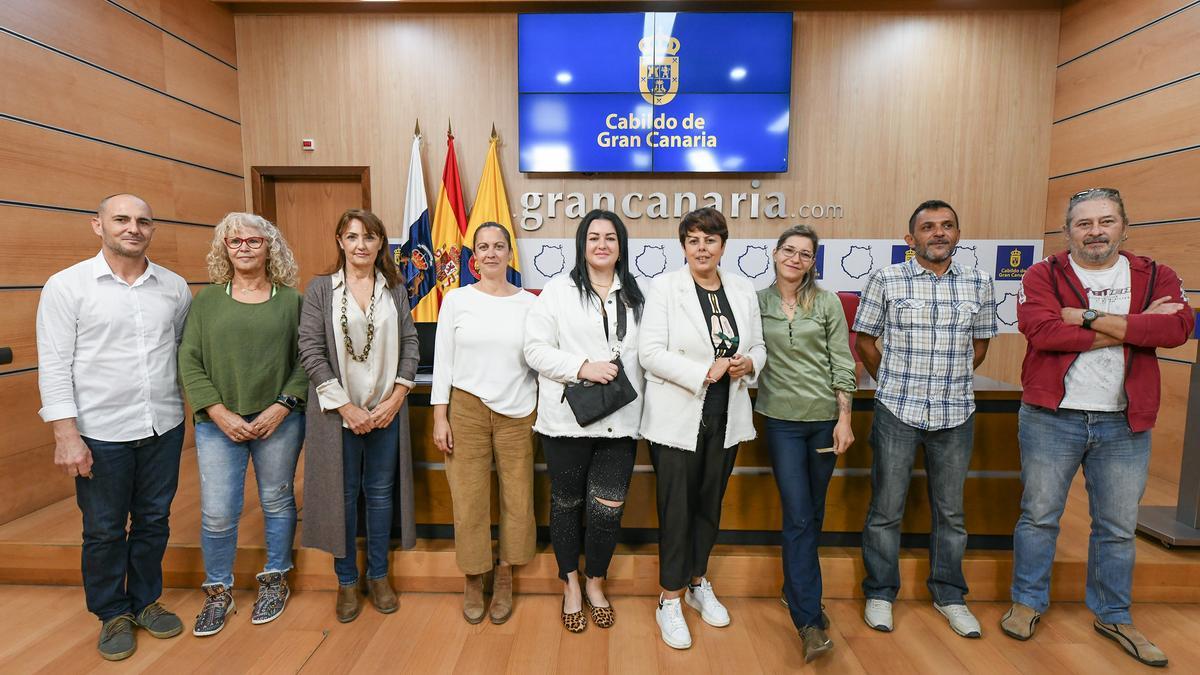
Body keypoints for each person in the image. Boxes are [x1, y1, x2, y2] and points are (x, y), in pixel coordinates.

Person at [1003, 188, 1193, 667]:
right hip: (1052, 418)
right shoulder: (1042, 273)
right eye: (1084, 224)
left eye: (1105, 221)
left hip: (1125, 422)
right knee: (1039, 516)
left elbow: (1174, 330)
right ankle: (1026, 603)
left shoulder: (1155, 276)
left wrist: (1088, 317)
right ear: (1068, 231)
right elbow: (1044, 333)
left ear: (1124, 226)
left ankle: (1114, 614)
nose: (1095, 231)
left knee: (1117, 527)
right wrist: (1132, 326)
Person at [36, 194, 191, 661]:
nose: (133, 228)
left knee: (154, 521)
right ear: (97, 226)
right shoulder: (68, 287)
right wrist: (66, 434)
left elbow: (183, 353)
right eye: (121, 219)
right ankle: (112, 613)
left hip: (163, 425)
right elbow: (55, 365)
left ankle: (145, 602)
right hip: (100, 432)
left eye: (143, 221)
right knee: (103, 529)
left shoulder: (174, 287)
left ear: (152, 229)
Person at [853, 199, 996, 638]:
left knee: (951, 513)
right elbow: (865, 340)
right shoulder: (886, 278)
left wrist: (946, 381)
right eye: (928, 227)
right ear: (910, 238)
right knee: (886, 509)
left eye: (947, 226)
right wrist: (894, 381)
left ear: (958, 233)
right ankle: (880, 592)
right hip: (897, 409)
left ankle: (950, 594)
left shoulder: (979, 281)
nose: (939, 233)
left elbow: (980, 345)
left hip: (956, 412)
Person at [639, 207, 766, 650]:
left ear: (723, 246)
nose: (702, 248)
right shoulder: (665, 288)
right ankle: (668, 598)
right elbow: (649, 353)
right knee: (677, 510)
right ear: (683, 247)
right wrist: (703, 372)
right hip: (678, 417)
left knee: (709, 506)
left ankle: (696, 583)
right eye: (693, 240)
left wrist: (750, 362)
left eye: (710, 240)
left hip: (727, 418)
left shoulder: (742, 288)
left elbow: (758, 345)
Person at [178, 213, 307, 636]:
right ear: (224, 249)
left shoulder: (291, 301)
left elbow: (306, 359)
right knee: (217, 512)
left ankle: (274, 579)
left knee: (277, 500)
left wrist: (282, 407)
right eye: (236, 242)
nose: (246, 248)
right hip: (219, 423)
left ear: (270, 247)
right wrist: (217, 411)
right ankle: (218, 591)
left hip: (279, 421)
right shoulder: (207, 301)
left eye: (255, 241)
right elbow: (189, 361)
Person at [524, 210, 646, 633]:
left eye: (610, 238)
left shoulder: (636, 295)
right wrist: (582, 367)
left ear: (621, 246)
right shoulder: (557, 292)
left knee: (607, 509)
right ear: (581, 244)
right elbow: (534, 351)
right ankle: (570, 583)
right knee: (567, 504)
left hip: (622, 423)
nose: (602, 244)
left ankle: (596, 582)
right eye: (593, 237)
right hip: (566, 422)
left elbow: (647, 356)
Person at [298, 208, 419, 623]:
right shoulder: (320, 290)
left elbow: (410, 342)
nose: (361, 245)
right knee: (343, 497)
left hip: (386, 413)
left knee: (381, 494)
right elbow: (310, 351)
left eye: (369, 237)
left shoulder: (396, 288)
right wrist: (346, 407)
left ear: (381, 244)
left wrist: (397, 397)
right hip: (338, 416)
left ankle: (380, 576)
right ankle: (347, 581)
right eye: (352, 237)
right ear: (340, 242)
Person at [757, 225, 856, 662]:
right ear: (775, 254)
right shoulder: (754, 302)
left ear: (812, 262)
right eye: (789, 250)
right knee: (798, 514)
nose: (796, 259)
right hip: (780, 421)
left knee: (812, 512)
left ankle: (792, 588)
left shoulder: (828, 301)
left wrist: (845, 418)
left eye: (805, 254)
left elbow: (841, 360)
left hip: (823, 422)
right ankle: (808, 621)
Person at [432, 222, 538, 625]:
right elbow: (443, 361)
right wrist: (440, 416)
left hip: (518, 412)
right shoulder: (457, 301)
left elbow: (539, 361)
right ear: (473, 256)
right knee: (469, 500)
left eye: (498, 246)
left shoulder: (530, 304)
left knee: (517, 497)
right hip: (466, 411)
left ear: (509, 253)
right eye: (483, 247)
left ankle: (506, 574)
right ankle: (475, 577)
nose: (491, 253)